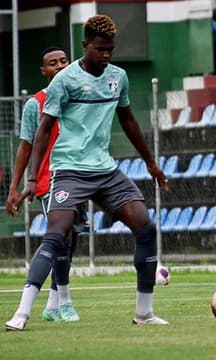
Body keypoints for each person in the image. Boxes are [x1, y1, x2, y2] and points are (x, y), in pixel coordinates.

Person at [5, 14, 168, 331]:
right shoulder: (64, 81)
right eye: (100, 49)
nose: (107, 55)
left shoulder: (117, 77)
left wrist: (150, 162)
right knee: (56, 236)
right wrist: (28, 180)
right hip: (69, 171)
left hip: (106, 171)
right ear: (86, 45)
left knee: (145, 227)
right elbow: (42, 132)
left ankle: (145, 313)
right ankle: (22, 313)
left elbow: (129, 121)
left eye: (111, 49)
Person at [5, 46, 87, 324]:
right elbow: (25, 147)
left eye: (64, 61)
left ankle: (53, 304)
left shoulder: (80, 99)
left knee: (71, 240)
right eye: (53, 63)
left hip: (80, 176)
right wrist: (14, 188)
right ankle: (64, 302)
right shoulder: (35, 104)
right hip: (48, 181)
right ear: (44, 71)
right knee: (59, 237)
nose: (61, 66)